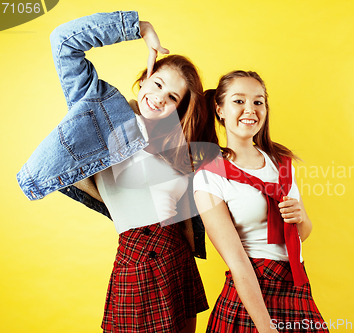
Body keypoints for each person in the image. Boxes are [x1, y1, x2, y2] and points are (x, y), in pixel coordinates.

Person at [17, 11, 217, 333]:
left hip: (177, 256)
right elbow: (64, 43)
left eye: (172, 97)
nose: (159, 98)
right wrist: (139, 27)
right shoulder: (101, 113)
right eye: (158, 83)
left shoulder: (177, 146)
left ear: (179, 108)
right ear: (144, 77)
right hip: (137, 257)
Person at [193, 70, 329, 332]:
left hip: (294, 284)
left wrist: (301, 217)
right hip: (251, 290)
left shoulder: (280, 162)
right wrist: (265, 327)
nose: (250, 110)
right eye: (238, 101)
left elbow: (300, 236)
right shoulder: (209, 176)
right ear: (220, 109)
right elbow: (236, 260)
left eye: (258, 102)